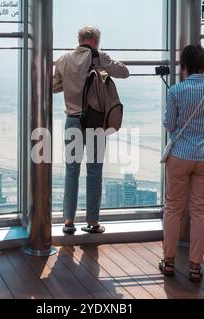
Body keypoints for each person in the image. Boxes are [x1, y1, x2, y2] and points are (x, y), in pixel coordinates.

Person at [53, 26, 129, 235]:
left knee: (71, 171)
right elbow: (124, 72)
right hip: (95, 122)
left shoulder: (64, 59)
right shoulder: (98, 56)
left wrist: (70, 83)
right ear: (96, 40)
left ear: (79, 39)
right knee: (94, 171)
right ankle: (93, 222)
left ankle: (68, 221)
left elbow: (54, 86)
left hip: (72, 120)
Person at [160, 45, 204, 282]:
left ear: (184, 66)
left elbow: (169, 124)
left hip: (180, 155)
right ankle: (195, 266)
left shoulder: (176, 91)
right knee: (200, 210)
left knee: (173, 208)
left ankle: (168, 261)